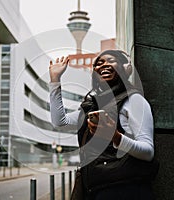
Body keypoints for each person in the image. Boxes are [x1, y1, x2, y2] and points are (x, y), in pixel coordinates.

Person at [49, 49, 157, 199]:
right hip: (95, 189)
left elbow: (148, 152)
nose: (104, 65)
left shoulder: (134, 101)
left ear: (125, 69)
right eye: (99, 63)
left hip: (126, 190)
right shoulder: (91, 107)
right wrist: (55, 80)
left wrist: (115, 137)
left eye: (111, 61)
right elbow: (60, 121)